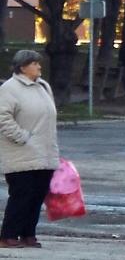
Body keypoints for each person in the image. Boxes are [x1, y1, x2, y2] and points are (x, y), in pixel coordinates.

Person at [0, 50, 59, 248]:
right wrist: (22, 137)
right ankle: (8, 235)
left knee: (37, 195)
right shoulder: (10, 89)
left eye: (38, 63)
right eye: (34, 63)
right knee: (21, 195)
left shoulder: (43, 86)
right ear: (22, 67)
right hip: (21, 152)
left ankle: (28, 234)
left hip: (44, 151)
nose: (39, 67)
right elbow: (3, 118)